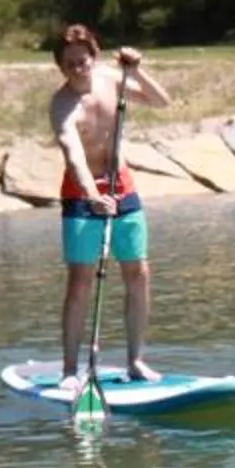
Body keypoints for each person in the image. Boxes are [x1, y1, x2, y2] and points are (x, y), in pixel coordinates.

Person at [49, 24, 170, 391]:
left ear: (93, 57)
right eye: (70, 64)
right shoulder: (62, 105)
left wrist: (136, 72)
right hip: (81, 197)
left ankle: (135, 360)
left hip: (123, 188)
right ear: (61, 66)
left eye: (82, 61)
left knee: (139, 272)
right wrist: (90, 193)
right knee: (81, 281)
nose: (78, 69)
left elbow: (161, 101)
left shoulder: (111, 81)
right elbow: (73, 156)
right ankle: (71, 370)